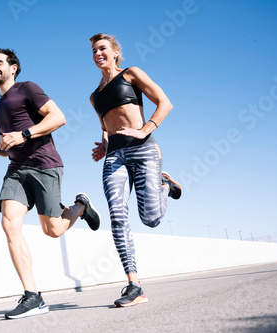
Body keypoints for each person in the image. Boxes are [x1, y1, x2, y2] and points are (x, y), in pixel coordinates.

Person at [0, 48, 101, 319]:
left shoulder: (28, 88)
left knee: (53, 230)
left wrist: (23, 134)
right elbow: (11, 144)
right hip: (16, 169)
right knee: (9, 223)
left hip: (45, 165)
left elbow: (58, 117)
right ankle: (32, 296)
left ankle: (81, 206)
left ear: (14, 67)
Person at [88, 33, 182, 307]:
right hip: (115, 156)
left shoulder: (131, 74)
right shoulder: (94, 96)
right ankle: (134, 285)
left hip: (143, 150)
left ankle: (165, 185)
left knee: (151, 219)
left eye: (103, 48)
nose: (98, 54)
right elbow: (106, 127)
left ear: (115, 52)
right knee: (117, 215)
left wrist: (145, 130)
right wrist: (104, 146)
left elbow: (165, 103)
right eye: (94, 50)